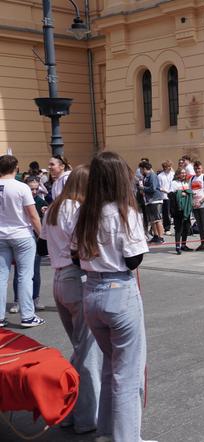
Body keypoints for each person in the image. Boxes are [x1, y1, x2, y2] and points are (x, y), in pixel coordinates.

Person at [73, 151, 151, 442]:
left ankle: (106, 431)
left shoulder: (85, 212)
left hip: (92, 292)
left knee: (111, 366)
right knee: (127, 374)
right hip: (119, 291)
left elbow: (73, 255)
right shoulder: (124, 212)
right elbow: (133, 260)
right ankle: (126, 438)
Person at [40, 165, 102, 434]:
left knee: (79, 350)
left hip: (58, 279)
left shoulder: (54, 207)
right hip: (76, 278)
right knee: (88, 354)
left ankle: (68, 410)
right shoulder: (77, 210)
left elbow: (44, 242)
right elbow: (82, 247)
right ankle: (88, 418)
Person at [0, 155, 44, 328]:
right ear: (16, 168)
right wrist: (42, 236)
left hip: (1, 235)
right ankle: (27, 316)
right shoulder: (21, 187)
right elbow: (33, 216)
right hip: (22, 234)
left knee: (1, 276)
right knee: (25, 275)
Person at [10, 177, 47, 313]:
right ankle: (17, 301)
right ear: (25, 187)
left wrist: (46, 211)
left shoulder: (40, 201)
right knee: (19, 273)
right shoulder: (19, 199)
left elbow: (47, 215)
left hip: (36, 240)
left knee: (35, 272)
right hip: (21, 238)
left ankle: (35, 298)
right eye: (31, 188)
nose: (34, 191)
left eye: (36, 188)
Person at [139, 161, 164, 244]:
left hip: (155, 200)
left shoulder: (152, 175)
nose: (140, 171)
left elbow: (153, 188)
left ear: (144, 169)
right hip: (149, 200)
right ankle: (155, 236)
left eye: (141, 169)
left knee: (157, 219)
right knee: (152, 220)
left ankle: (161, 237)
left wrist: (143, 188)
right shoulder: (145, 177)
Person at [170, 167, 194, 254]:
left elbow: (189, 193)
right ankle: (177, 246)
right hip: (178, 209)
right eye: (182, 173)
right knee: (178, 228)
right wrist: (180, 193)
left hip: (186, 209)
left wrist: (187, 193)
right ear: (178, 174)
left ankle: (183, 245)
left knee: (187, 227)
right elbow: (171, 195)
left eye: (184, 173)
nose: (183, 174)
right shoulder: (174, 183)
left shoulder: (186, 183)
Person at [157, 160, 174, 234]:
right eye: (168, 166)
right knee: (166, 213)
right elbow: (159, 187)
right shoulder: (160, 176)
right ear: (165, 167)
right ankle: (167, 228)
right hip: (164, 196)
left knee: (173, 212)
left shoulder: (173, 174)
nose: (170, 168)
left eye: (170, 166)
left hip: (173, 195)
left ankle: (176, 227)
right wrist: (167, 191)